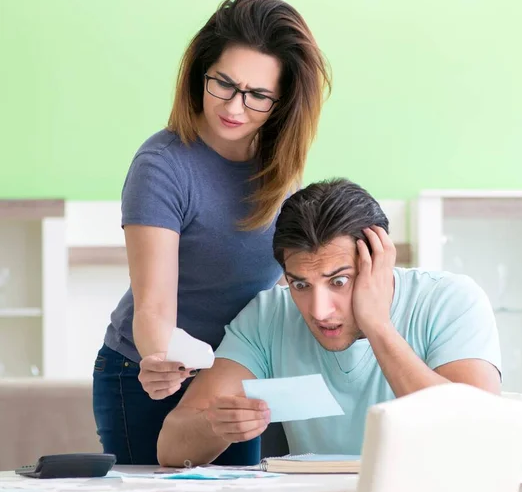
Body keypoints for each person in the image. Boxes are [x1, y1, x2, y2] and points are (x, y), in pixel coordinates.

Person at [92, 0, 331, 466]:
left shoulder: (280, 169)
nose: (236, 107)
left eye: (258, 95)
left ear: (282, 101)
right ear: (201, 72)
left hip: (236, 374)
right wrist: (160, 360)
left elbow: (287, 284)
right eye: (224, 83)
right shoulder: (162, 165)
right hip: (148, 376)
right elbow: (154, 306)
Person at [156, 178, 502, 466]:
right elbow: (170, 447)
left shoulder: (450, 300)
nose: (319, 311)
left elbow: (475, 439)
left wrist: (378, 325)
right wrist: (216, 426)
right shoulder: (269, 315)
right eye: (301, 284)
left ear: (378, 261)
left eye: (339, 281)